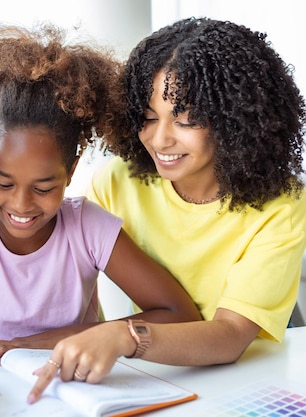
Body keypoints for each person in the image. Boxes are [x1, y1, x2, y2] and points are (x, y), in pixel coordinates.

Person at [0, 24, 201, 364]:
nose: (21, 204)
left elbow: (178, 313)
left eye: (44, 188)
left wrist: (32, 343)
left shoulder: (86, 227)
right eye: (3, 183)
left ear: (72, 169)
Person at [28, 17, 306, 403]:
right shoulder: (116, 183)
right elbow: (61, 278)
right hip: (159, 372)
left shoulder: (282, 204)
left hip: (252, 376)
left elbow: (229, 337)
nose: (159, 139)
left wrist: (126, 336)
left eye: (186, 119)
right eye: (148, 117)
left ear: (234, 119)